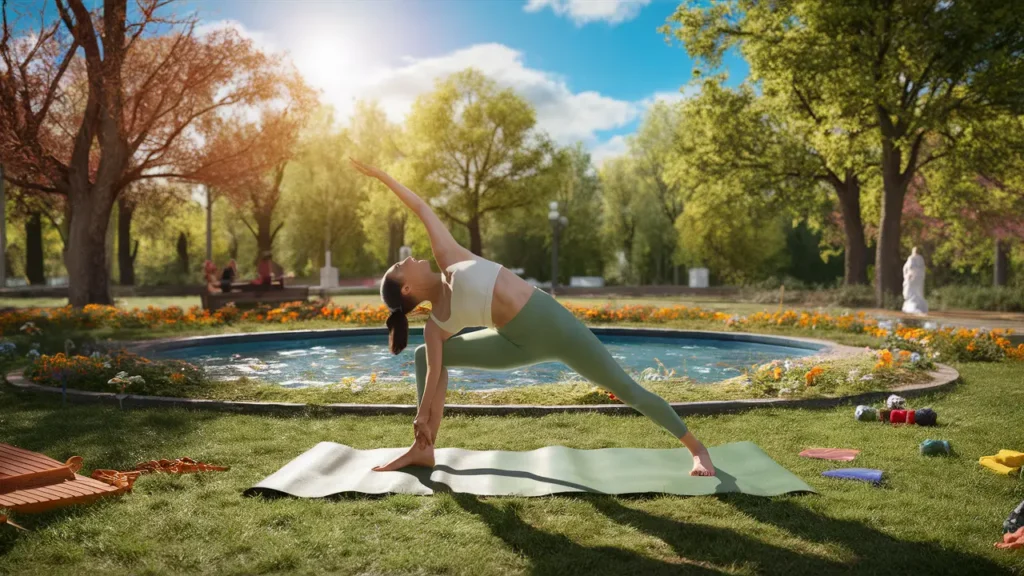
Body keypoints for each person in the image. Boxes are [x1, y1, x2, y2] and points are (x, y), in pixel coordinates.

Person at [349, 158, 716, 477]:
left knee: (627, 389)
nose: (409, 258)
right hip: (514, 344)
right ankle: (424, 447)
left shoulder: (450, 256)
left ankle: (697, 448)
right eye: (402, 265)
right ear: (408, 290)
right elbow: (432, 374)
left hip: (555, 327)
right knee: (423, 357)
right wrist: (422, 419)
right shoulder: (436, 325)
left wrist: (380, 176)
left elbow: (419, 205)